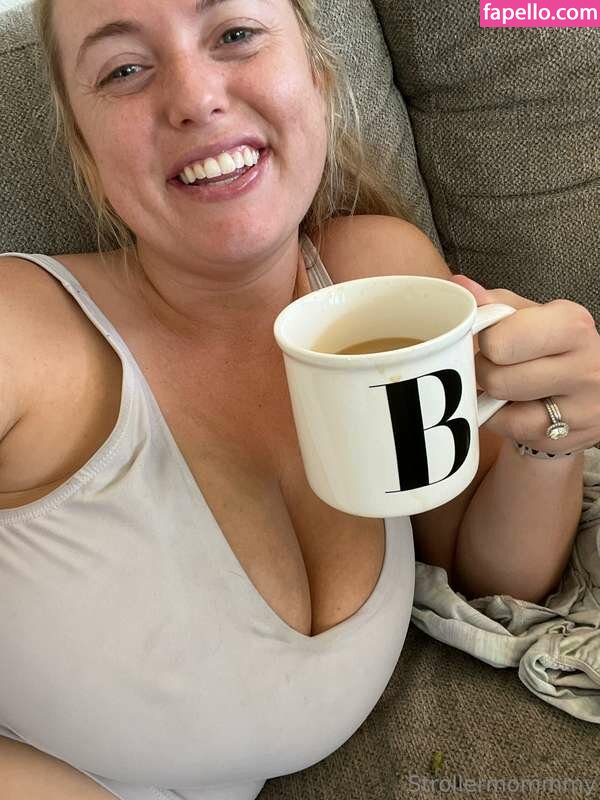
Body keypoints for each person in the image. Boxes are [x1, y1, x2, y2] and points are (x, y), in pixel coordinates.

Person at [1, 0, 599, 798]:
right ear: (85, 145)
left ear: (316, 73)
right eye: (125, 69)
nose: (195, 97)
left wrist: (552, 433)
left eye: (235, 35)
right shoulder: (19, 332)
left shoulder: (378, 278)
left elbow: (491, 573)